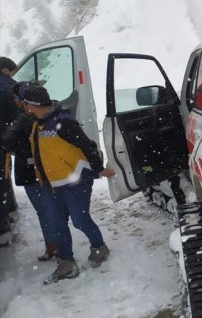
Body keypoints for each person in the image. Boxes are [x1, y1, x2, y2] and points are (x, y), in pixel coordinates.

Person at [20, 85, 116, 284]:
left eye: (25, 104)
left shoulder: (63, 122)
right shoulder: (37, 124)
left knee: (80, 220)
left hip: (76, 181)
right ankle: (66, 264)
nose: (24, 107)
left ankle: (99, 247)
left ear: (32, 105)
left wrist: (99, 168)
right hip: (51, 185)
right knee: (57, 223)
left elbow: (88, 145)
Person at [2, 81, 58, 260]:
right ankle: (56, 244)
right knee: (50, 208)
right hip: (46, 168)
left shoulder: (23, 118)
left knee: (44, 211)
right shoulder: (48, 113)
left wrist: (15, 147)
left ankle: (53, 246)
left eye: (15, 98)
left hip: (30, 171)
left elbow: (6, 142)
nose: (14, 102)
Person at [0, 56, 20, 246]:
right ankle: (3, 220)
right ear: (6, 69)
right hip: (3, 139)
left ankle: (5, 216)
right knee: (3, 178)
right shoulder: (8, 85)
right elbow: (18, 112)